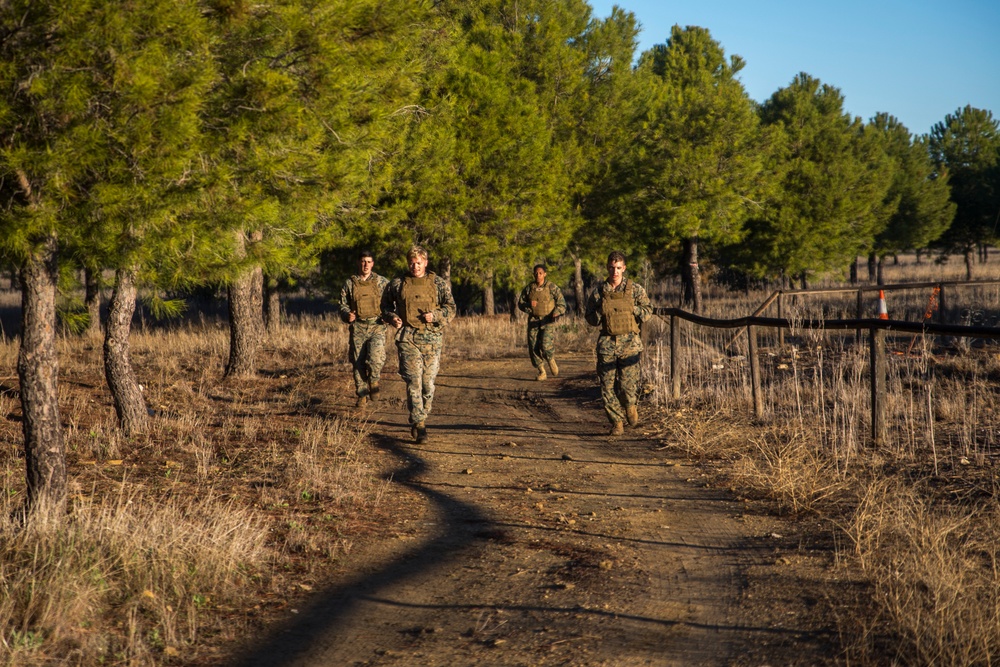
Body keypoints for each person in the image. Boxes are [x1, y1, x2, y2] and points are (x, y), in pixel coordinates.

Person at [381, 245, 456, 443]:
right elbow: (385, 306)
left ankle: (423, 414)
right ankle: (419, 423)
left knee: (427, 385)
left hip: (431, 339)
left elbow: (451, 308)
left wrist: (436, 315)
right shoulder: (397, 284)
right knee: (413, 381)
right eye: (412, 263)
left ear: (426, 263)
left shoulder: (438, 284)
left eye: (418, 263)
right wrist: (393, 317)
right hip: (408, 338)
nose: (415, 266)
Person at [585, 251, 653, 436]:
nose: (615, 271)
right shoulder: (599, 292)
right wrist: (601, 312)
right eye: (612, 268)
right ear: (607, 268)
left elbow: (648, 312)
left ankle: (630, 405)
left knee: (626, 386)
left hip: (630, 344)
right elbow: (590, 319)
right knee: (606, 386)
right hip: (607, 344)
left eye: (618, 268)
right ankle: (617, 422)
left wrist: (634, 309)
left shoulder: (635, 290)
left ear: (624, 268)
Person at [339, 250, 390, 408]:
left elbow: (391, 301)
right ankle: (362, 394)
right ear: (358, 263)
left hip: (377, 326)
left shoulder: (382, 282)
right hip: (358, 327)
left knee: (376, 357)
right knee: (358, 362)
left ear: (373, 264)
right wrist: (347, 314)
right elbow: (342, 305)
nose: (366, 264)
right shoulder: (349, 283)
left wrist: (388, 315)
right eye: (363, 261)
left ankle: (374, 379)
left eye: (369, 261)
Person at [516, 264, 567, 381]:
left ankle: (550, 359)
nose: (538, 275)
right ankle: (542, 371)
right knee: (533, 346)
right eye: (536, 273)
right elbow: (520, 303)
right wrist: (528, 306)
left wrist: (557, 312)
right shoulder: (529, 288)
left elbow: (562, 303)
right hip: (533, 320)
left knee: (545, 344)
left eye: (540, 273)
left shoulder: (552, 287)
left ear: (545, 274)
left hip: (547, 320)